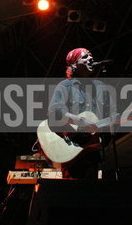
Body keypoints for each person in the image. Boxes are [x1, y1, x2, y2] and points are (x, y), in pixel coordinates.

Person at [47, 48, 115, 179]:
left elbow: (111, 115)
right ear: (73, 65)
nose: (90, 59)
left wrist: (130, 114)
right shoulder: (65, 86)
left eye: (91, 56)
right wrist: (79, 121)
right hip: (74, 150)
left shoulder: (100, 86)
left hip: (95, 149)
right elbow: (54, 111)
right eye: (85, 57)